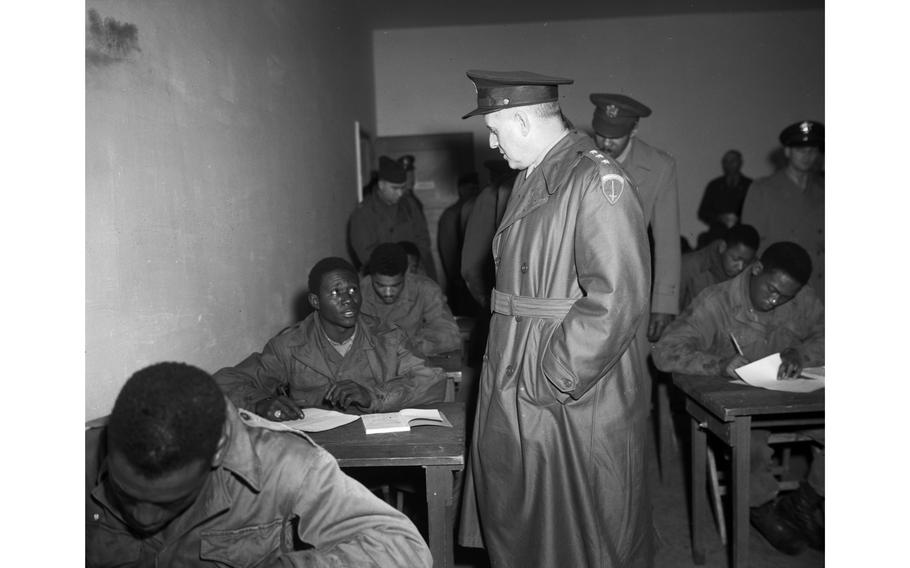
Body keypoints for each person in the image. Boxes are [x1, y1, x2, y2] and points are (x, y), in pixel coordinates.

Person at [458, 70, 653, 568]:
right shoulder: (531, 176)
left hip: (568, 386)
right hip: (517, 368)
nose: (492, 141)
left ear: (523, 120)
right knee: (528, 523)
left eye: (497, 129)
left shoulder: (595, 179)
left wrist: (554, 376)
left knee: (580, 530)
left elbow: (616, 298)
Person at [86, 362, 432, 566]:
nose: (142, 518)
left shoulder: (286, 465)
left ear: (219, 450)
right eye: (125, 494)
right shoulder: (85, 452)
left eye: (168, 500)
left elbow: (405, 549)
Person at [652, 242, 824, 554]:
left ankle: (804, 501)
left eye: (785, 297)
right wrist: (718, 364)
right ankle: (761, 507)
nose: (775, 300)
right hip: (740, 407)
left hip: (788, 398)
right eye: (771, 290)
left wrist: (801, 353)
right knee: (750, 448)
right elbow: (664, 352)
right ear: (756, 269)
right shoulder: (715, 302)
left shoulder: (802, 297)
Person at [214, 257, 446, 419]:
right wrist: (260, 402)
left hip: (378, 450)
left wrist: (373, 396)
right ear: (315, 302)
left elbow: (432, 380)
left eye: (353, 290)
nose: (348, 300)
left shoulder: (388, 337)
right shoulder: (290, 345)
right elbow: (223, 382)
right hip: (317, 457)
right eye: (335, 292)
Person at [589, 93, 681, 342]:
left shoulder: (659, 167)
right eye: (600, 133)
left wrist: (663, 304)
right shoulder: (578, 157)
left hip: (629, 286)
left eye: (615, 136)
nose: (606, 142)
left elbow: (668, 241)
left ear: (634, 130)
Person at [741, 121, 824, 300]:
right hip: (781, 290)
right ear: (787, 151)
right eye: (800, 150)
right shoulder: (763, 189)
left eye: (812, 150)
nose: (807, 155)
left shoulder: (822, 190)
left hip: (819, 287)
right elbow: (750, 246)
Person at [360, 243, 462, 359]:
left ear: (405, 276)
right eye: (380, 285)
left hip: (414, 361)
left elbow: (449, 336)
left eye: (395, 285)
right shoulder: (358, 293)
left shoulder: (426, 290)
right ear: (371, 277)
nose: (388, 293)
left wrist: (409, 347)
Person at [349, 156, 436, 281]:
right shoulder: (363, 212)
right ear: (381, 185)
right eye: (395, 188)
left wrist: (413, 265)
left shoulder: (409, 205)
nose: (400, 193)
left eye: (402, 187)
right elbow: (365, 252)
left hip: (413, 274)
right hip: (382, 279)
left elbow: (423, 238)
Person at [679, 223, 759, 310]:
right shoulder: (690, 266)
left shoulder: (751, 274)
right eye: (735, 259)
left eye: (746, 262)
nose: (740, 267)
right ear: (722, 247)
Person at [438, 172, 481, 315]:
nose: (473, 191)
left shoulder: (479, 210)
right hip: (459, 279)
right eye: (470, 188)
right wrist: (454, 276)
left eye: (476, 188)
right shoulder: (451, 214)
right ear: (460, 189)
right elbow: (448, 249)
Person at [695, 149, 753, 248]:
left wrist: (739, 219)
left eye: (732, 161)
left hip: (742, 236)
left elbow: (755, 211)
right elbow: (703, 212)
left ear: (740, 163)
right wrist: (720, 217)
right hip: (718, 235)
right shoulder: (714, 185)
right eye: (725, 161)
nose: (729, 164)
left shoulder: (750, 185)